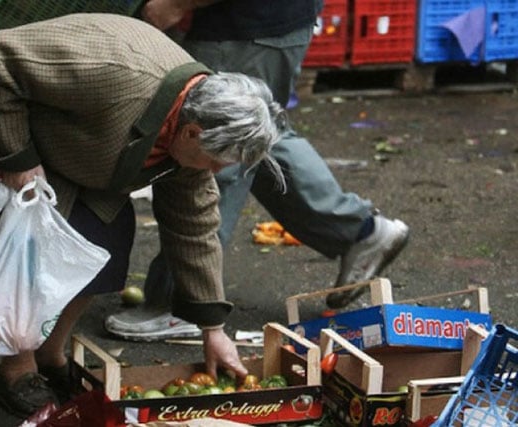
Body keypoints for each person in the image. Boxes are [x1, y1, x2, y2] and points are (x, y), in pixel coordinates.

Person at [0, 13, 287, 417]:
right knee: (40, 237)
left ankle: (51, 354)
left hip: (67, 140)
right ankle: (18, 369)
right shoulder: (116, 74)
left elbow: (194, 228)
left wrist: (213, 329)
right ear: (192, 133)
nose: (215, 172)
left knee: (107, 236)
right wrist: (15, 156)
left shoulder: (192, 133)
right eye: (215, 161)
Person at [104, 0, 410, 341]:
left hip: (245, 26)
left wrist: (177, 3)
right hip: (264, 25)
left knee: (212, 148)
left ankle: (182, 304)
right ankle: (358, 230)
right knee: (252, 135)